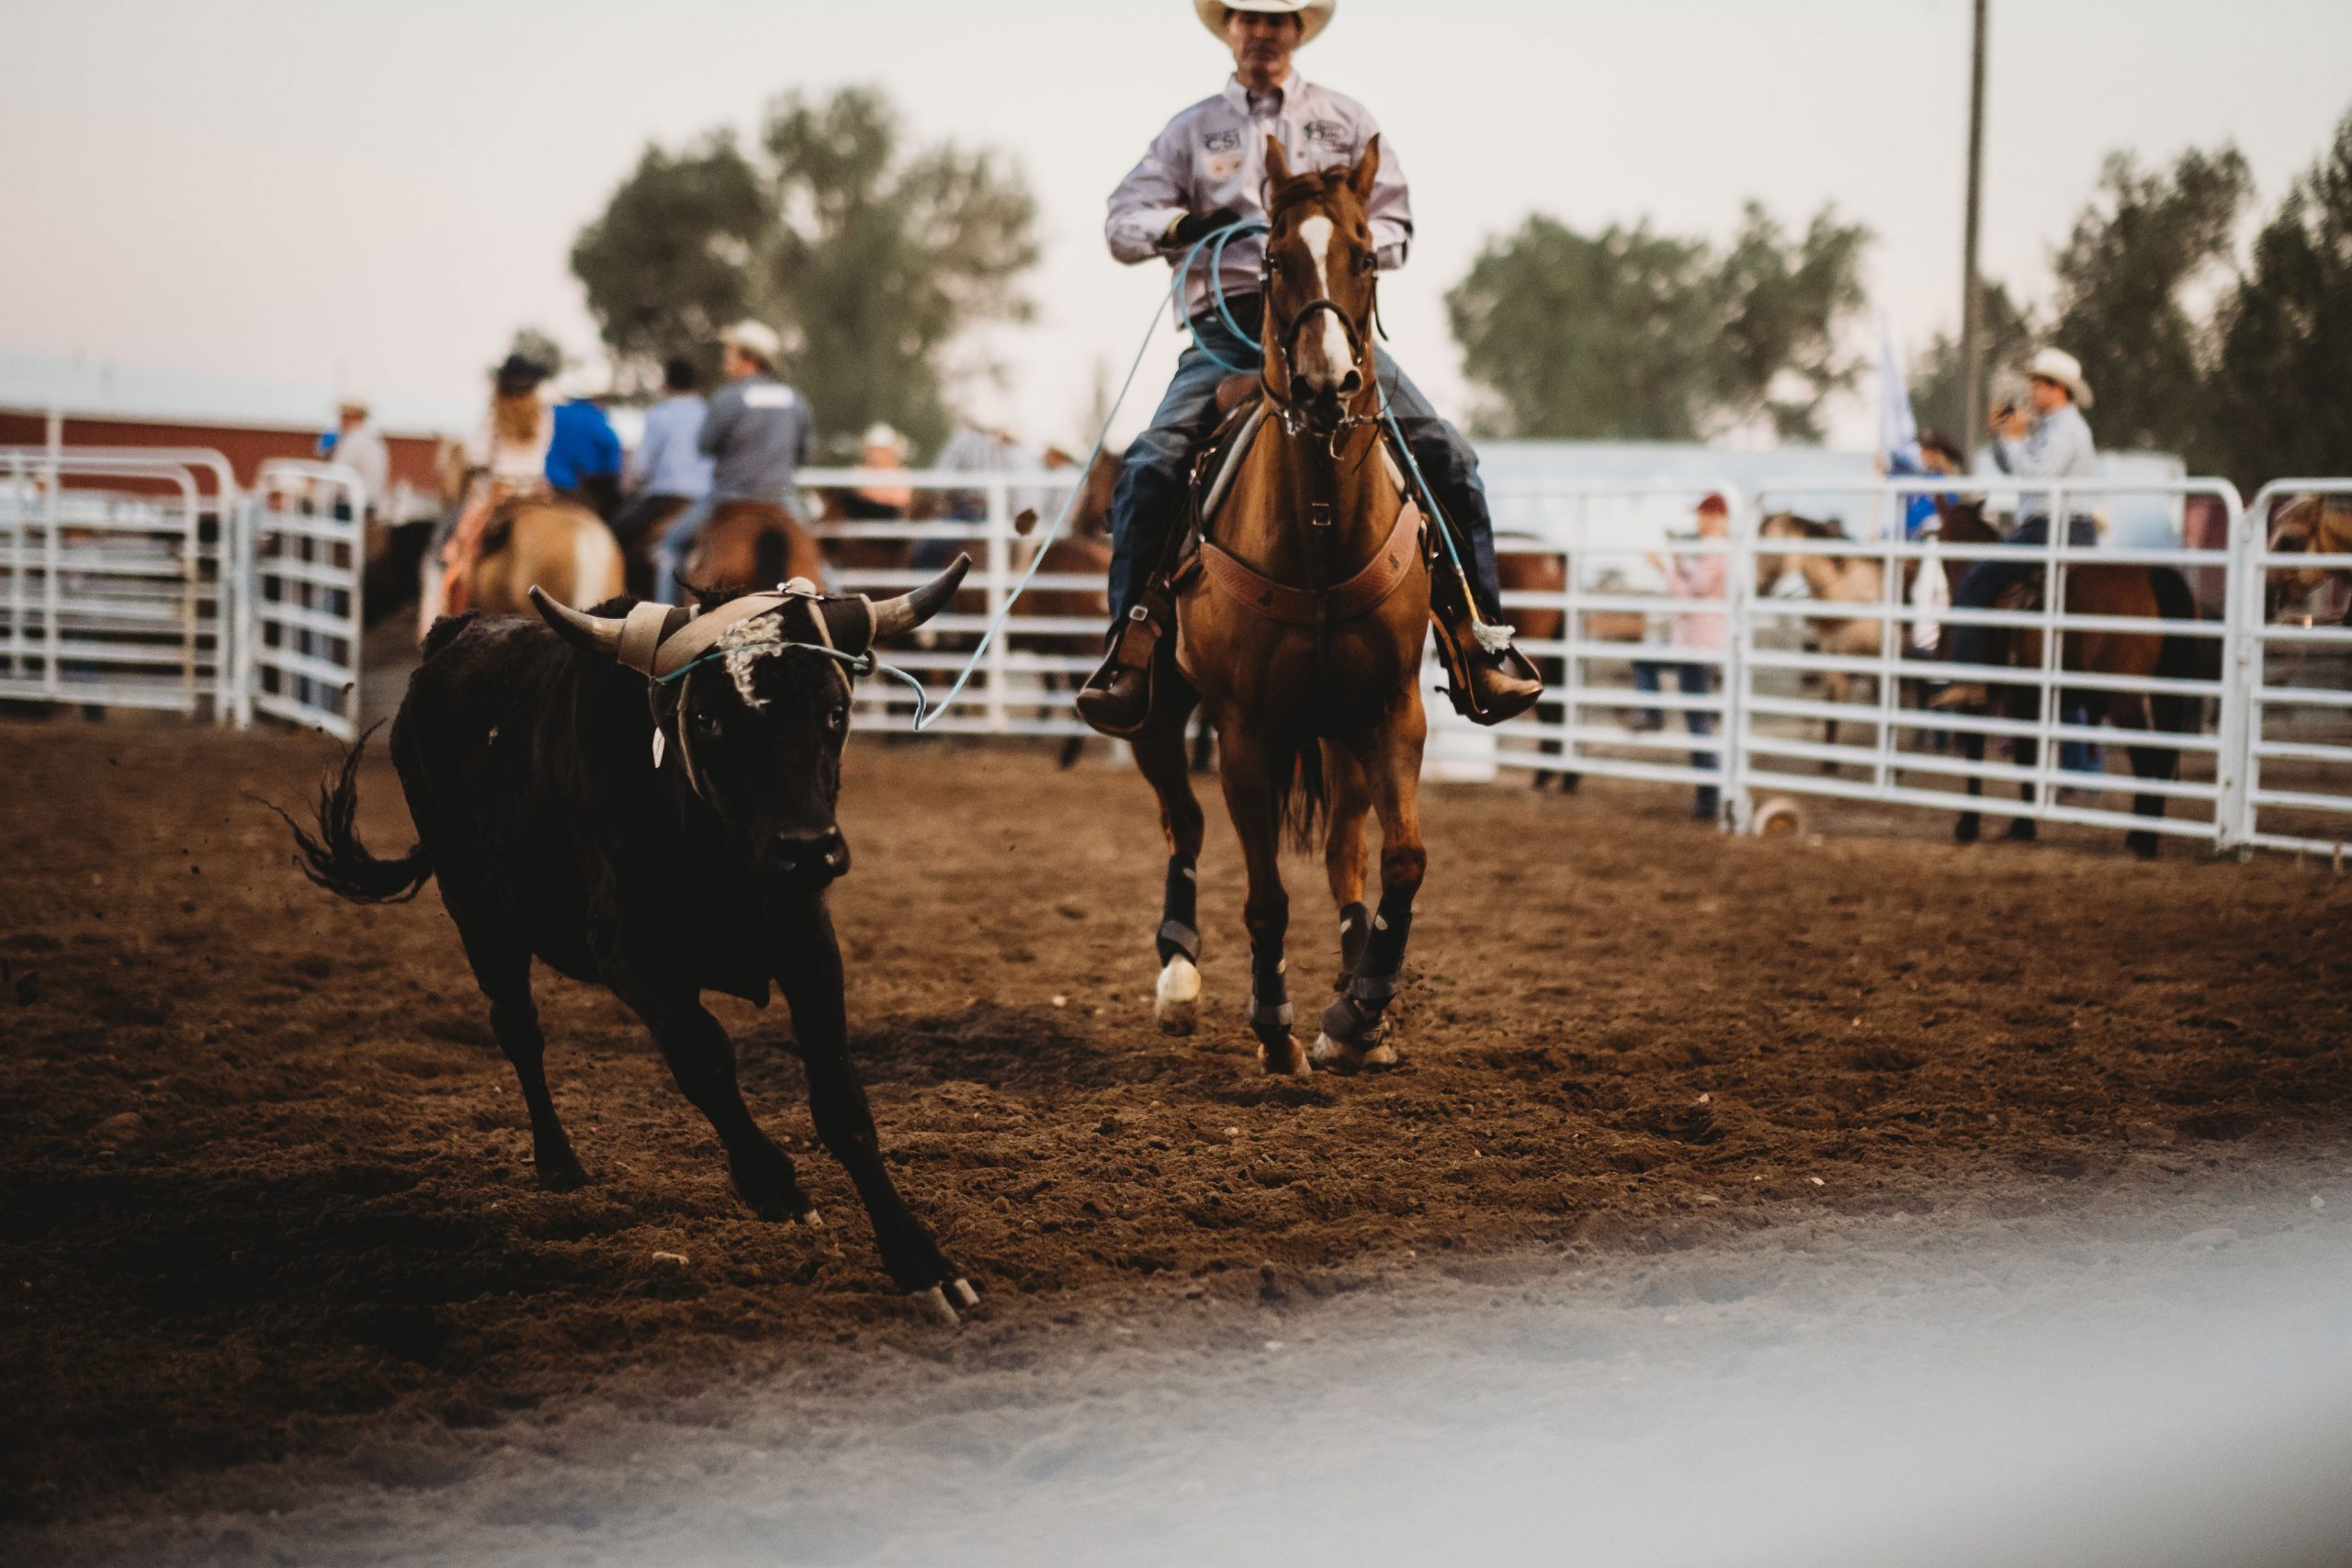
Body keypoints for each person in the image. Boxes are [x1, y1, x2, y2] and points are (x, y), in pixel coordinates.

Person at [1075, 0, 1539, 734]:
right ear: (1227, 26)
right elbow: (1121, 223)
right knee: (1150, 463)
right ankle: (1129, 650)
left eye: (1279, 18)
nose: (1262, 30)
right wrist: (1183, 224)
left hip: (1332, 322)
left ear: (1299, 31)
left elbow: (1395, 225)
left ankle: (1482, 643)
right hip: (1226, 331)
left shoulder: (1347, 122)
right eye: (1247, 16)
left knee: (1446, 453)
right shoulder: (1190, 131)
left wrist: (1333, 235)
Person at [1933, 348, 2099, 711]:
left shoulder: (2064, 430)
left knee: (1975, 582)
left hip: (2049, 529)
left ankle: (1970, 677)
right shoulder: (2057, 429)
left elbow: (2037, 478)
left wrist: (2014, 438)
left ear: (2057, 389)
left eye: (2037, 385)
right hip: (2064, 528)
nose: (2031, 392)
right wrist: (2004, 437)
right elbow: (2016, 469)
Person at [655, 320, 813, 604]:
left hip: (729, 498)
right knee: (815, 557)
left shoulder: (727, 399)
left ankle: (665, 619)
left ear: (750, 359)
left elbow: (704, 445)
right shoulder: (796, 400)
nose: (725, 362)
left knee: (672, 543)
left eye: (731, 353)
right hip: (779, 500)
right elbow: (803, 454)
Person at [423, 352, 557, 634]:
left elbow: (476, 456)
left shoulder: (495, 413)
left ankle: (439, 616)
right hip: (535, 489)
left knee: (447, 542)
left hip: (499, 490)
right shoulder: (544, 415)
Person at [1645, 494, 1731, 819]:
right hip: (1700, 642)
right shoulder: (1716, 550)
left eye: (1703, 515)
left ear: (1715, 516)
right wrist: (1680, 565)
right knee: (1698, 721)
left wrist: (1664, 568)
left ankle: (1651, 711)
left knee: (1698, 722)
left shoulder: (1714, 549)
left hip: (1698, 643)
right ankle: (1708, 796)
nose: (1699, 521)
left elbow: (1689, 594)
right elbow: (1696, 589)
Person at [613, 356, 713, 556]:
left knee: (614, 535)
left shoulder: (660, 414)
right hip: (703, 501)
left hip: (666, 500)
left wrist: (628, 486)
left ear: (667, 385)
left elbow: (642, 467)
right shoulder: (709, 413)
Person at [545, 372, 624, 519]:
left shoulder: (550, 412)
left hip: (544, 487)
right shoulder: (598, 421)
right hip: (579, 491)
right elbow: (612, 463)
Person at [321, 399, 388, 518]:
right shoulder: (373, 440)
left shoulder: (353, 441)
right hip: (368, 505)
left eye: (343, 416)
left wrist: (316, 494)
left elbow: (336, 477)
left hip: (352, 508)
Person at [841, 423, 914, 519]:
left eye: (882, 450)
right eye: (874, 450)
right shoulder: (857, 472)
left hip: (890, 521)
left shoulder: (901, 474)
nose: (877, 454)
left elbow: (901, 500)